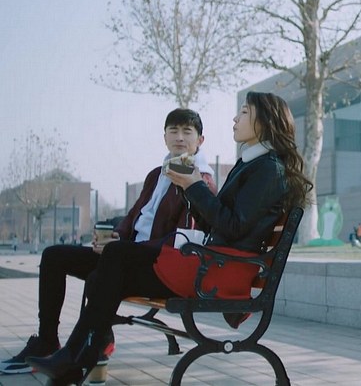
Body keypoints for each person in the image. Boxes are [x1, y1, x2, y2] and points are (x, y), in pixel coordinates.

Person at [25, 92, 312, 385]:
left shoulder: (268, 170)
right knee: (111, 264)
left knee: (114, 261)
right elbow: (218, 224)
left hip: (220, 272)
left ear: (264, 121)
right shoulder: (251, 164)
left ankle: (77, 358)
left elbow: (233, 227)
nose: (235, 118)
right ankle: (76, 357)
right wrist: (190, 189)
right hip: (214, 264)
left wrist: (195, 186)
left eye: (244, 113)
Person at [0, 108, 216, 375]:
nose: (180, 137)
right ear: (164, 137)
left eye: (187, 132)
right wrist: (117, 236)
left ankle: (87, 350)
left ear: (200, 140)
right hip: (126, 255)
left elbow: (183, 239)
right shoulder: (157, 174)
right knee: (54, 255)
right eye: (173, 131)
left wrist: (125, 248)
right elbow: (136, 215)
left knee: (102, 274)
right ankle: (47, 341)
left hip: (156, 264)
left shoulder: (199, 180)